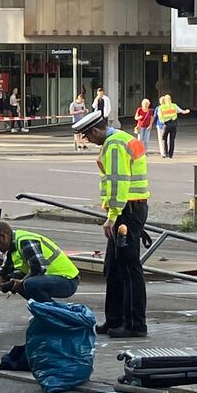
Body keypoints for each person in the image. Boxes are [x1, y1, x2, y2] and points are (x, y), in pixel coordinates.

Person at [74, 110, 150, 338]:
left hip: (126, 211)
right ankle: (115, 319)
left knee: (127, 268)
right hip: (130, 210)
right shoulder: (122, 139)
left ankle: (135, 324)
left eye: (88, 136)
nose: (88, 141)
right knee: (114, 267)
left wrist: (112, 215)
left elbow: (118, 182)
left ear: (96, 130)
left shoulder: (115, 144)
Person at [0, 220, 80, 309]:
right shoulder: (12, 249)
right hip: (52, 279)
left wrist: (20, 283)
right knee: (14, 281)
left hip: (67, 281)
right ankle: (44, 311)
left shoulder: (24, 241)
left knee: (28, 284)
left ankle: (53, 313)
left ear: (4, 237)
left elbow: (38, 269)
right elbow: (2, 273)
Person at [157, 94, 191, 159]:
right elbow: (181, 111)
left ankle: (165, 153)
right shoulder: (174, 105)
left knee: (164, 138)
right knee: (172, 139)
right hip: (174, 124)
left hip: (166, 124)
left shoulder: (161, 107)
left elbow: (160, 116)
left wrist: (163, 121)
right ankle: (171, 154)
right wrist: (186, 111)